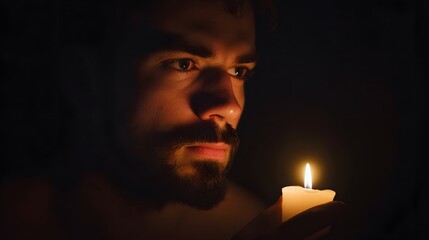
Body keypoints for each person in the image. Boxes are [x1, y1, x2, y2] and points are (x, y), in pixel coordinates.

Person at [1, 0, 345, 239]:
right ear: (84, 81)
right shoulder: (15, 224)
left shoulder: (256, 222)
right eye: (184, 64)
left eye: (239, 71)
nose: (229, 106)